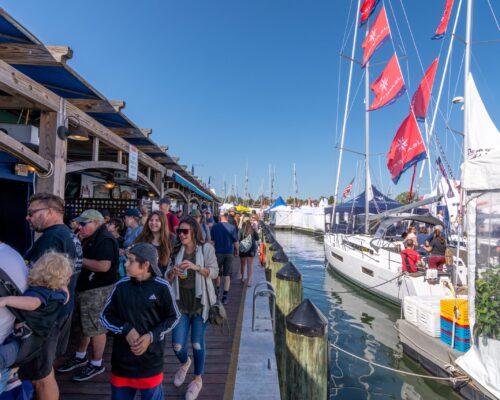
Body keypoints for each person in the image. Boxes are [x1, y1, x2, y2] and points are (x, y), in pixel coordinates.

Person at [100, 243, 180, 400]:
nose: (125, 263)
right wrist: (126, 329)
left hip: (151, 362)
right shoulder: (120, 286)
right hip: (122, 363)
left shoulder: (162, 287)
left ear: (145, 265)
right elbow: (104, 316)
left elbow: (174, 316)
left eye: (130, 261)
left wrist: (151, 336)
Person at [22, 193, 82, 400]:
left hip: (47, 316)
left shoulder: (53, 237)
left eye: (32, 213)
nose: (28, 217)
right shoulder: (67, 234)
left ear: (49, 212)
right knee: (46, 370)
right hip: (61, 310)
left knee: (41, 376)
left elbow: (43, 280)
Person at [57, 209, 119, 381]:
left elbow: (104, 266)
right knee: (85, 325)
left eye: (84, 224)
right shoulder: (90, 237)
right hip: (86, 288)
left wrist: (78, 259)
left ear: (96, 223)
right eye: (79, 223)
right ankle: (80, 355)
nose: (80, 227)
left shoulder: (105, 239)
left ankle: (97, 363)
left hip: (97, 290)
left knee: (97, 327)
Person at [165, 217, 218, 400]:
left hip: (200, 304)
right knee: (177, 345)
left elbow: (214, 272)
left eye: (185, 231)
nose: (181, 234)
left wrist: (196, 267)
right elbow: (168, 276)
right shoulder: (177, 250)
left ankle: (197, 379)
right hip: (180, 304)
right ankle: (185, 362)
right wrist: (173, 272)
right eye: (179, 231)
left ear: (194, 232)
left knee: (196, 342)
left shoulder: (206, 249)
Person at [0, 252, 72, 370]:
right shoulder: (59, 293)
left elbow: (33, 303)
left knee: (3, 357)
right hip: (38, 342)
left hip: (23, 341)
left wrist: (6, 300)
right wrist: (62, 282)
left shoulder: (40, 292)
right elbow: (66, 297)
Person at [210, 211, 239, 304]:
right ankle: (225, 297)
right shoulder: (232, 227)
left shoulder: (215, 227)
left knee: (217, 274)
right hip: (229, 253)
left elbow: (212, 241)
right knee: (227, 276)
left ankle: (217, 293)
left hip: (217, 253)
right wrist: (237, 250)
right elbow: (236, 242)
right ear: (227, 217)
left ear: (220, 217)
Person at [134, 211, 172, 275]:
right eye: (151, 220)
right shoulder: (142, 238)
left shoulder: (171, 239)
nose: (153, 223)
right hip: (144, 278)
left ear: (163, 222)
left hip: (163, 279)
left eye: (157, 220)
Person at [238, 217, 259, 287]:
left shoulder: (241, 230)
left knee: (243, 264)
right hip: (251, 249)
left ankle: (243, 278)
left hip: (243, 249)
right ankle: (249, 281)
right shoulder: (252, 230)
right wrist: (256, 229)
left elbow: (238, 239)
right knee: (250, 265)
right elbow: (257, 238)